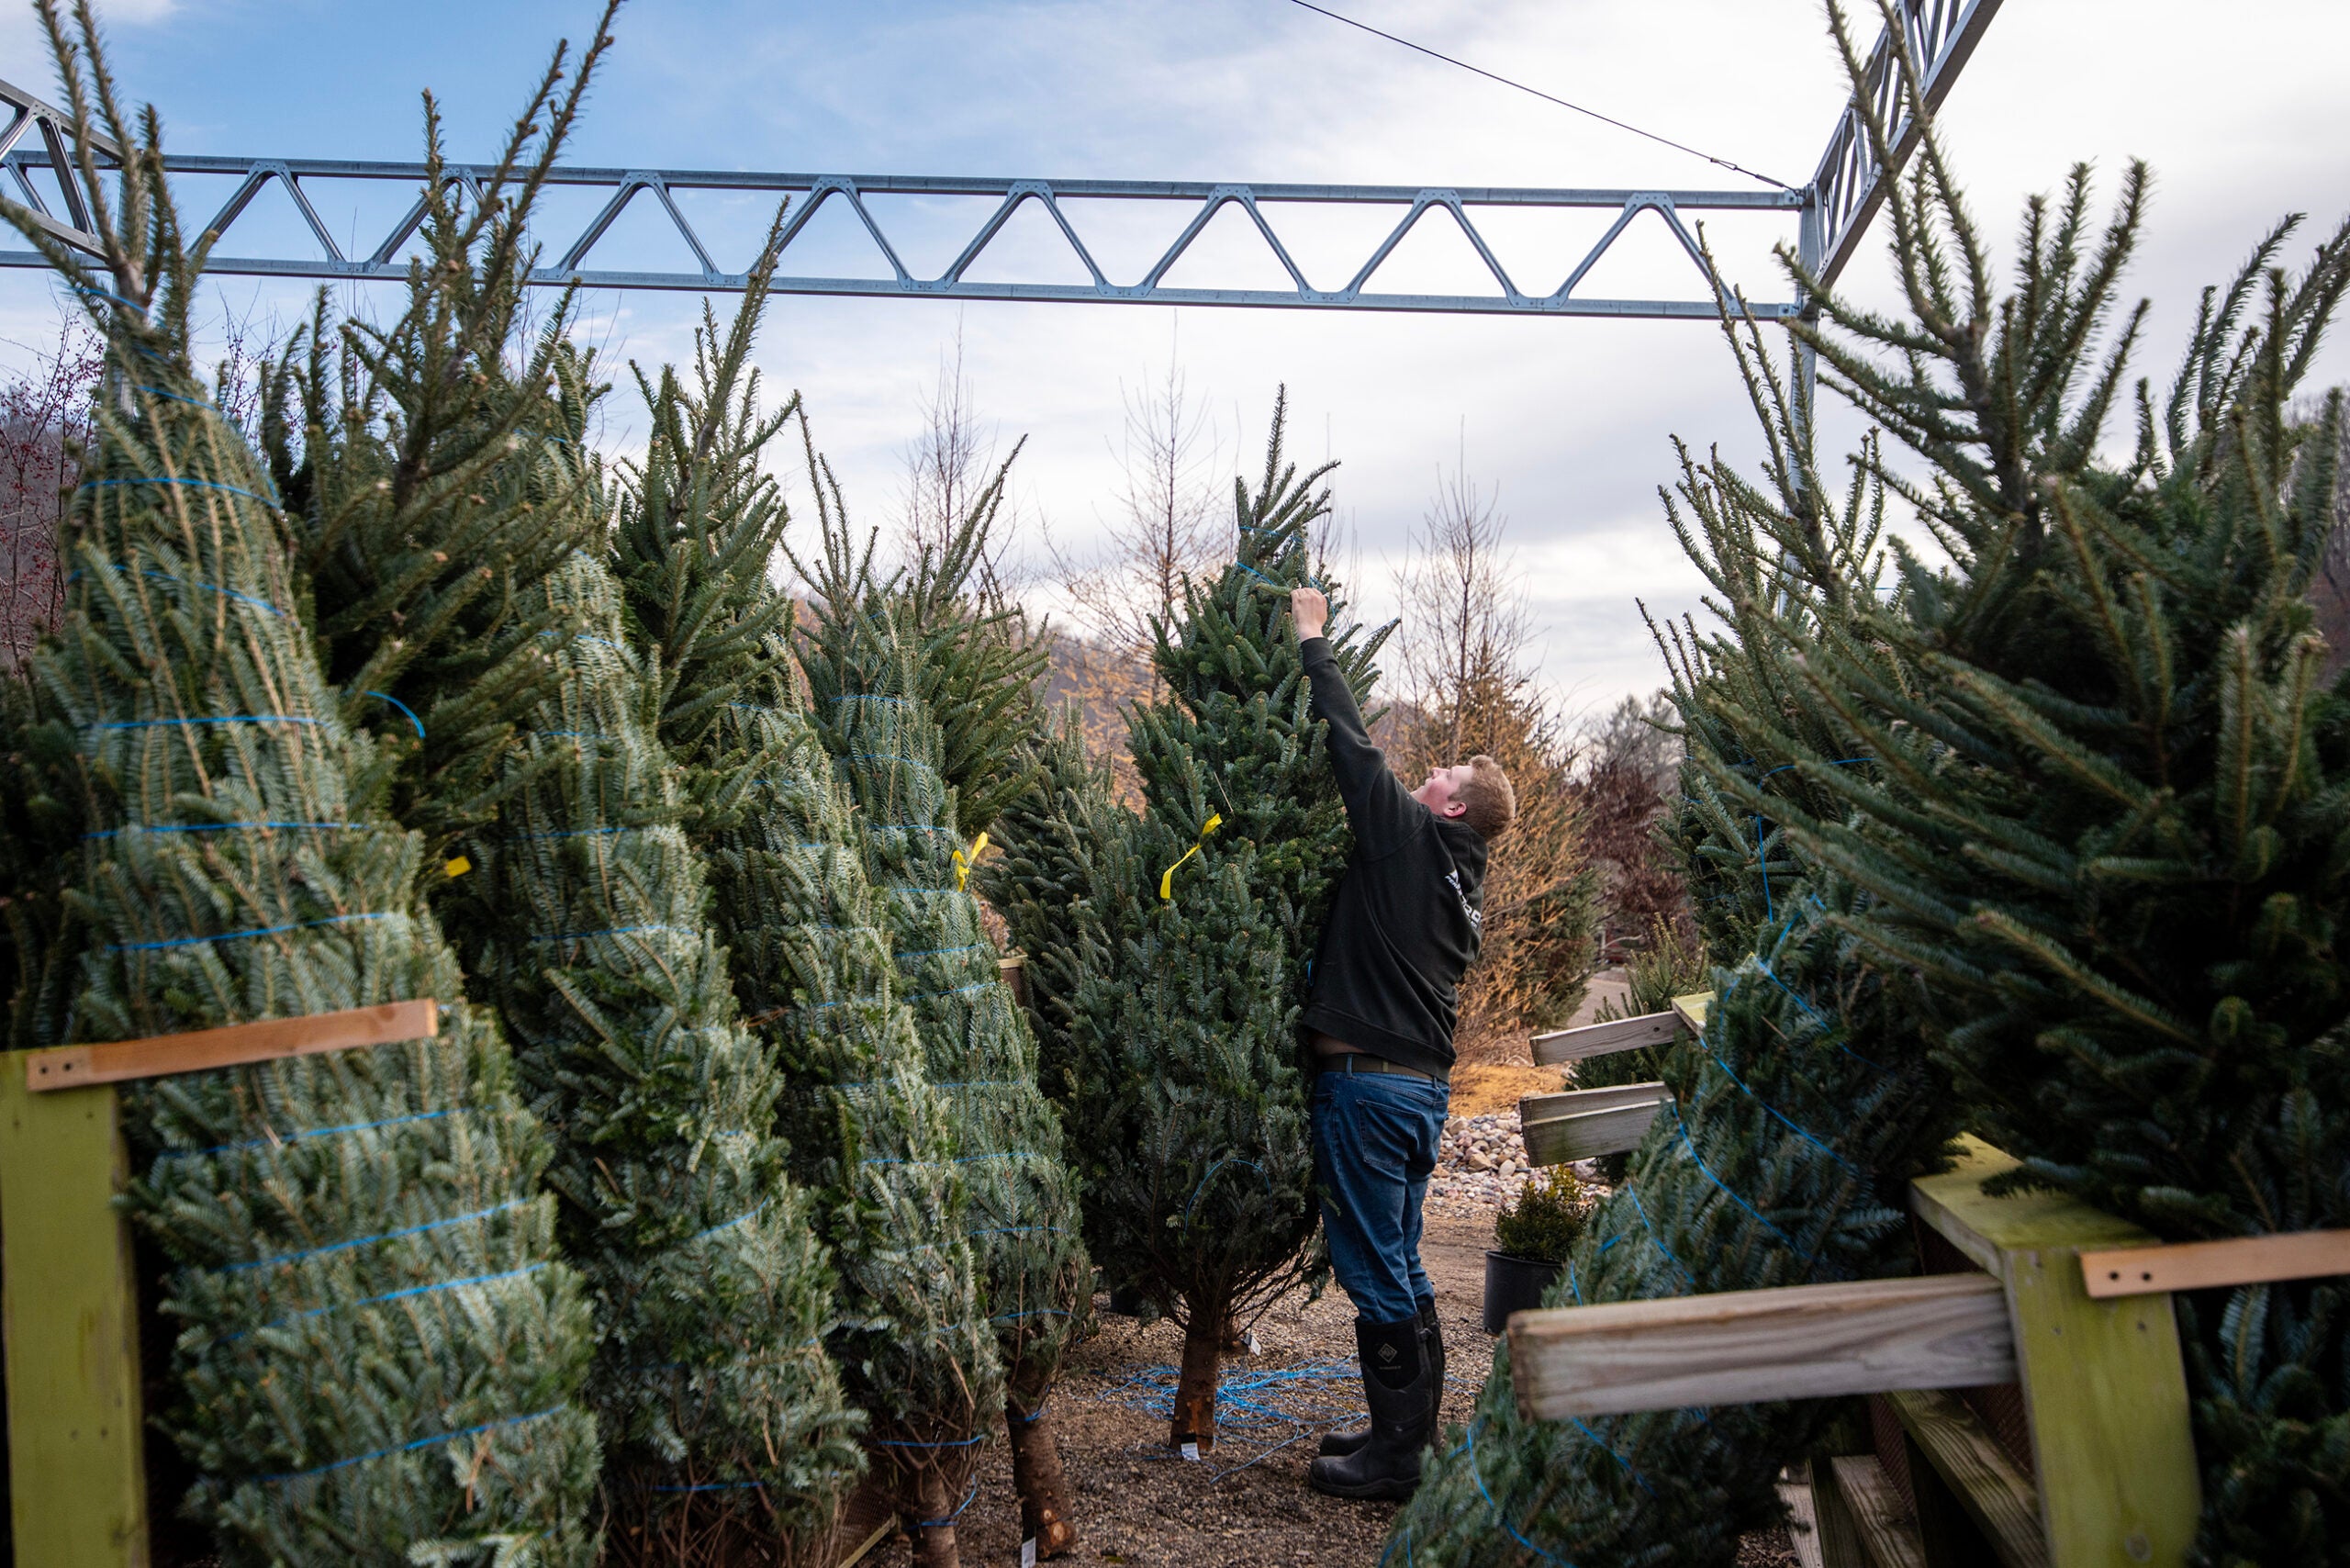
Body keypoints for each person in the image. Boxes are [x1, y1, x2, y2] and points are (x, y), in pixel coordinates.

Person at [1286, 586, 1516, 1502]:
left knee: (1375, 1266)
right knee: (1405, 1260)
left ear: (1453, 811)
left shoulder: (1413, 842)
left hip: (1370, 1092)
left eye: (1441, 781)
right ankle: (1408, 1440)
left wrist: (1313, 638)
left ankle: (1395, 1459)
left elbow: (1352, 746)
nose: (1423, 782)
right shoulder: (1460, 880)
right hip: (1417, 1094)